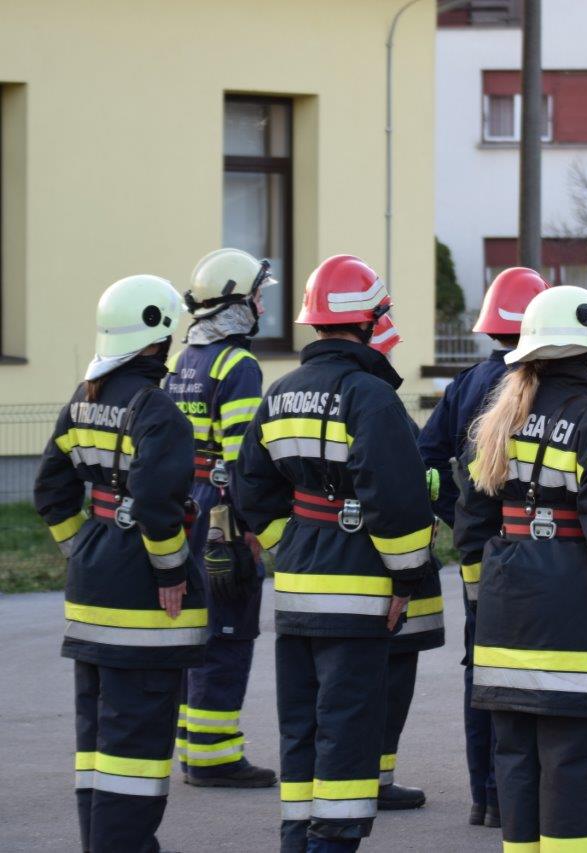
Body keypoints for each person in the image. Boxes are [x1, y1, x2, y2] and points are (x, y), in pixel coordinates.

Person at [235, 255, 436, 852]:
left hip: (297, 592)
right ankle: (333, 843)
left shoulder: (280, 393)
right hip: (358, 598)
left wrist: (286, 547)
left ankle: (297, 840)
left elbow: (251, 489)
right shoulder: (371, 398)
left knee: (301, 727)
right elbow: (397, 503)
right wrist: (407, 580)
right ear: (371, 322)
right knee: (348, 730)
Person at [453, 285, 587, 853]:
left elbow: (470, 533)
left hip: (503, 632)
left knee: (518, 777)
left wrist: (481, 606)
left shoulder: (497, 423)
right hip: (582, 641)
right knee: (578, 778)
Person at [34, 275, 206, 852]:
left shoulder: (83, 397)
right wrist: (172, 571)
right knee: (135, 748)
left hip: (91, 589)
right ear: (159, 335)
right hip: (141, 603)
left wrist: (80, 546)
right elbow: (160, 508)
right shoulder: (156, 410)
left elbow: (50, 492)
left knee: (97, 745)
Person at [416, 266, 550, 826]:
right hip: (538, 551)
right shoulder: (545, 384)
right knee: (539, 671)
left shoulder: (465, 383)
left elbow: (425, 459)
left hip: (479, 551)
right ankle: (525, 797)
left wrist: (453, 514)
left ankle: (486, 797)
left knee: (483, 669)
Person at [165, 248, 277, 788]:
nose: (261, 304)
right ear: (237, 304)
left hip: (186, 503)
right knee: (228, 631)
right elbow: (243, 462)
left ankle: (193, 743)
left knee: (196, 629)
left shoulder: (186, 360)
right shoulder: (239, 365)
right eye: (257, 295)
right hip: (219, 513)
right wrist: (253, 529)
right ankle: (214, 756)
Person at [369, 313, 447, 814]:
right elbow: (401, 490)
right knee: (390, 679)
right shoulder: (379, 405)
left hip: (328, 563)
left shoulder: (300, 391)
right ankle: (375, 776)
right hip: (387, 568)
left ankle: (361, 773)